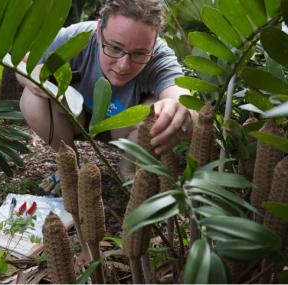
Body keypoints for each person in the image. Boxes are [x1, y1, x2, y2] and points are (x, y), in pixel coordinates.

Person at [16, 0, 198, 193]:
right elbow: (21, 66)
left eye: (139, 53)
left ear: (153, 44)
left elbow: (185, 103)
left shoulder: (159, 56)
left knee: (160, 112)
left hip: (124, 130)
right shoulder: (75, 39)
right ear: (98, 32)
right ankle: (68, 166)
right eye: (114, 48)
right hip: (76, 120)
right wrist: (33, 79)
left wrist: (180, 114)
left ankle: (129, 167)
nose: (123, 66)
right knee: (31, 98)